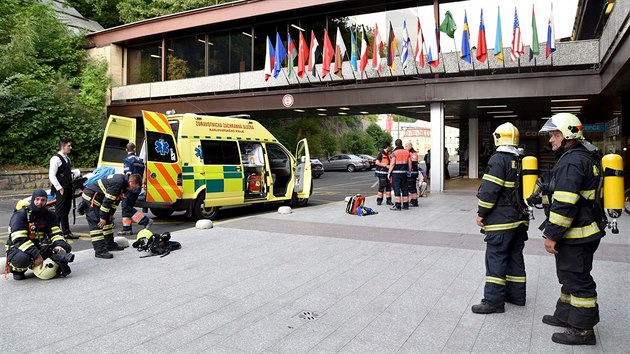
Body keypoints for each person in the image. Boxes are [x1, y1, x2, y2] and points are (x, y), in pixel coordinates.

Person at [536, 113, 604, 346]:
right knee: (568, 276)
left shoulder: (572, 161)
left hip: (576, 233)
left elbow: (565, 203)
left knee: (578, 279)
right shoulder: (582, 157)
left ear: (569, 136)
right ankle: (565, 315)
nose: (551, 140)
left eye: (555, 135)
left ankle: (583, 330)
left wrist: (551, 235)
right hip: (582, 230)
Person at [472, 122, 529, 314]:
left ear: (498, 138)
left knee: (495, 258)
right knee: (515, 257)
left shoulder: (498, 159)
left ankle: (493, 301)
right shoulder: (522, 159)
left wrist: (481, 213)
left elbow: (490, 191)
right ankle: (516, 296)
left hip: (501, 221)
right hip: (520, 219)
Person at [5, 189, 73, 280]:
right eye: (37, 199)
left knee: (66, 247)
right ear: (33, 199)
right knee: (22, 259)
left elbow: (56, 233)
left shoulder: (50, 215)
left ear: (46, 201)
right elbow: (19, 239)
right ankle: (16, 270)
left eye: (42, 200)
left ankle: (47, 263)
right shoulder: (21, 215)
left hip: (39, 246)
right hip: (19, 247)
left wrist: (59, 245)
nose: (39, 203)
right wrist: (36, 255)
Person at [80, 173, 142, 259]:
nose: (134, 189)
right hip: (91, 199)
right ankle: (100, 251)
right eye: (135, 186)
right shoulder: (118, 183)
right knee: (97, 224)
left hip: (101, 199)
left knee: (108, 222)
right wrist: (102, 217)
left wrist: (110, 214)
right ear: (131, 182)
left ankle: (109, 245)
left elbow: (115, 202)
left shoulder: (124, 184)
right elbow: (107, 201)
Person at [118, 143, 151, 236]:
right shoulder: (140, 160)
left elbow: (128, 174)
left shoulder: (127, 160)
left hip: (130, 187)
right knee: (127, 207)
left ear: (126, 150)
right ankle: (127, 228)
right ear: (134, 149)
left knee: (126, 207)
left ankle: (145, 221)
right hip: (137, 187)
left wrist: (124, 188)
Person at [48, 138, 78, 239]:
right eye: (69, 146)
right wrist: (59, 188)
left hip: (68, 187)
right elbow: (52, 175)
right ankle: (54, 234)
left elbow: (66, 173)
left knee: (66, 210)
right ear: (63, 147)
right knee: (59, 211)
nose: (70, 148)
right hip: (61, 188)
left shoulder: (67, 158)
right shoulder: (55, 159)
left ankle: (66, 232)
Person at [388, 139, 411, 210]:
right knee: (404, 189)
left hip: (396, 174)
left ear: (395, 144)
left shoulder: (394, 153)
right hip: (404, 173)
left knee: (397, 189)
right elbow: (409, 163)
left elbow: (392, 164)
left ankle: (398, 205)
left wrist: (389, 172)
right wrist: (409, 171)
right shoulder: (407, 152)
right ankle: (406, 205)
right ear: (402, 144)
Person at [405, 142, 420, 207]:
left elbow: (413, 162)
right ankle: (413, 200)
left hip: (412, 172)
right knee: (411, 187)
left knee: (411, 187)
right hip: (411, 172)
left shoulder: (413, 153)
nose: (405, 148)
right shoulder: (409, 153)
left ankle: (414, 201)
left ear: (410, 146)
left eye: (406, 146)